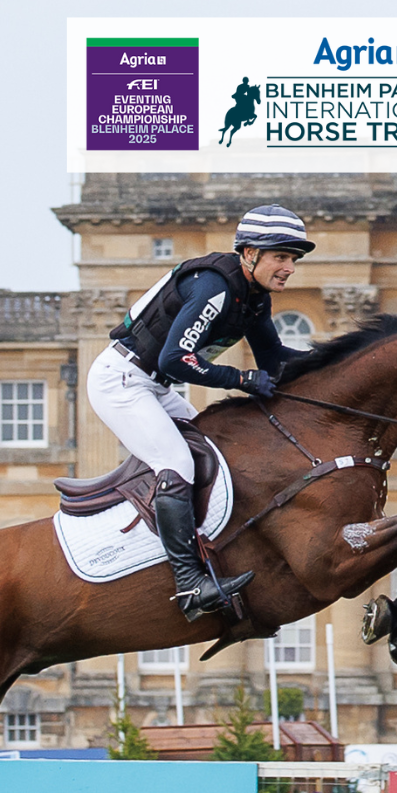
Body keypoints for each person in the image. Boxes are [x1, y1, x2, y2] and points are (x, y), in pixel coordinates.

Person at [87, 204, 316, 622]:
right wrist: (240, 380)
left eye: (293, 259)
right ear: (249, 254)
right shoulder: (214, 287)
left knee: (218, 458)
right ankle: (190, 582)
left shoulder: (254, 297)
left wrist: (338, 361)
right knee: (175, 462)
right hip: (121, 381)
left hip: (152, 385)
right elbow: (177, 359)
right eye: (281, 257)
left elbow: (274, 358)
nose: (290, 268)